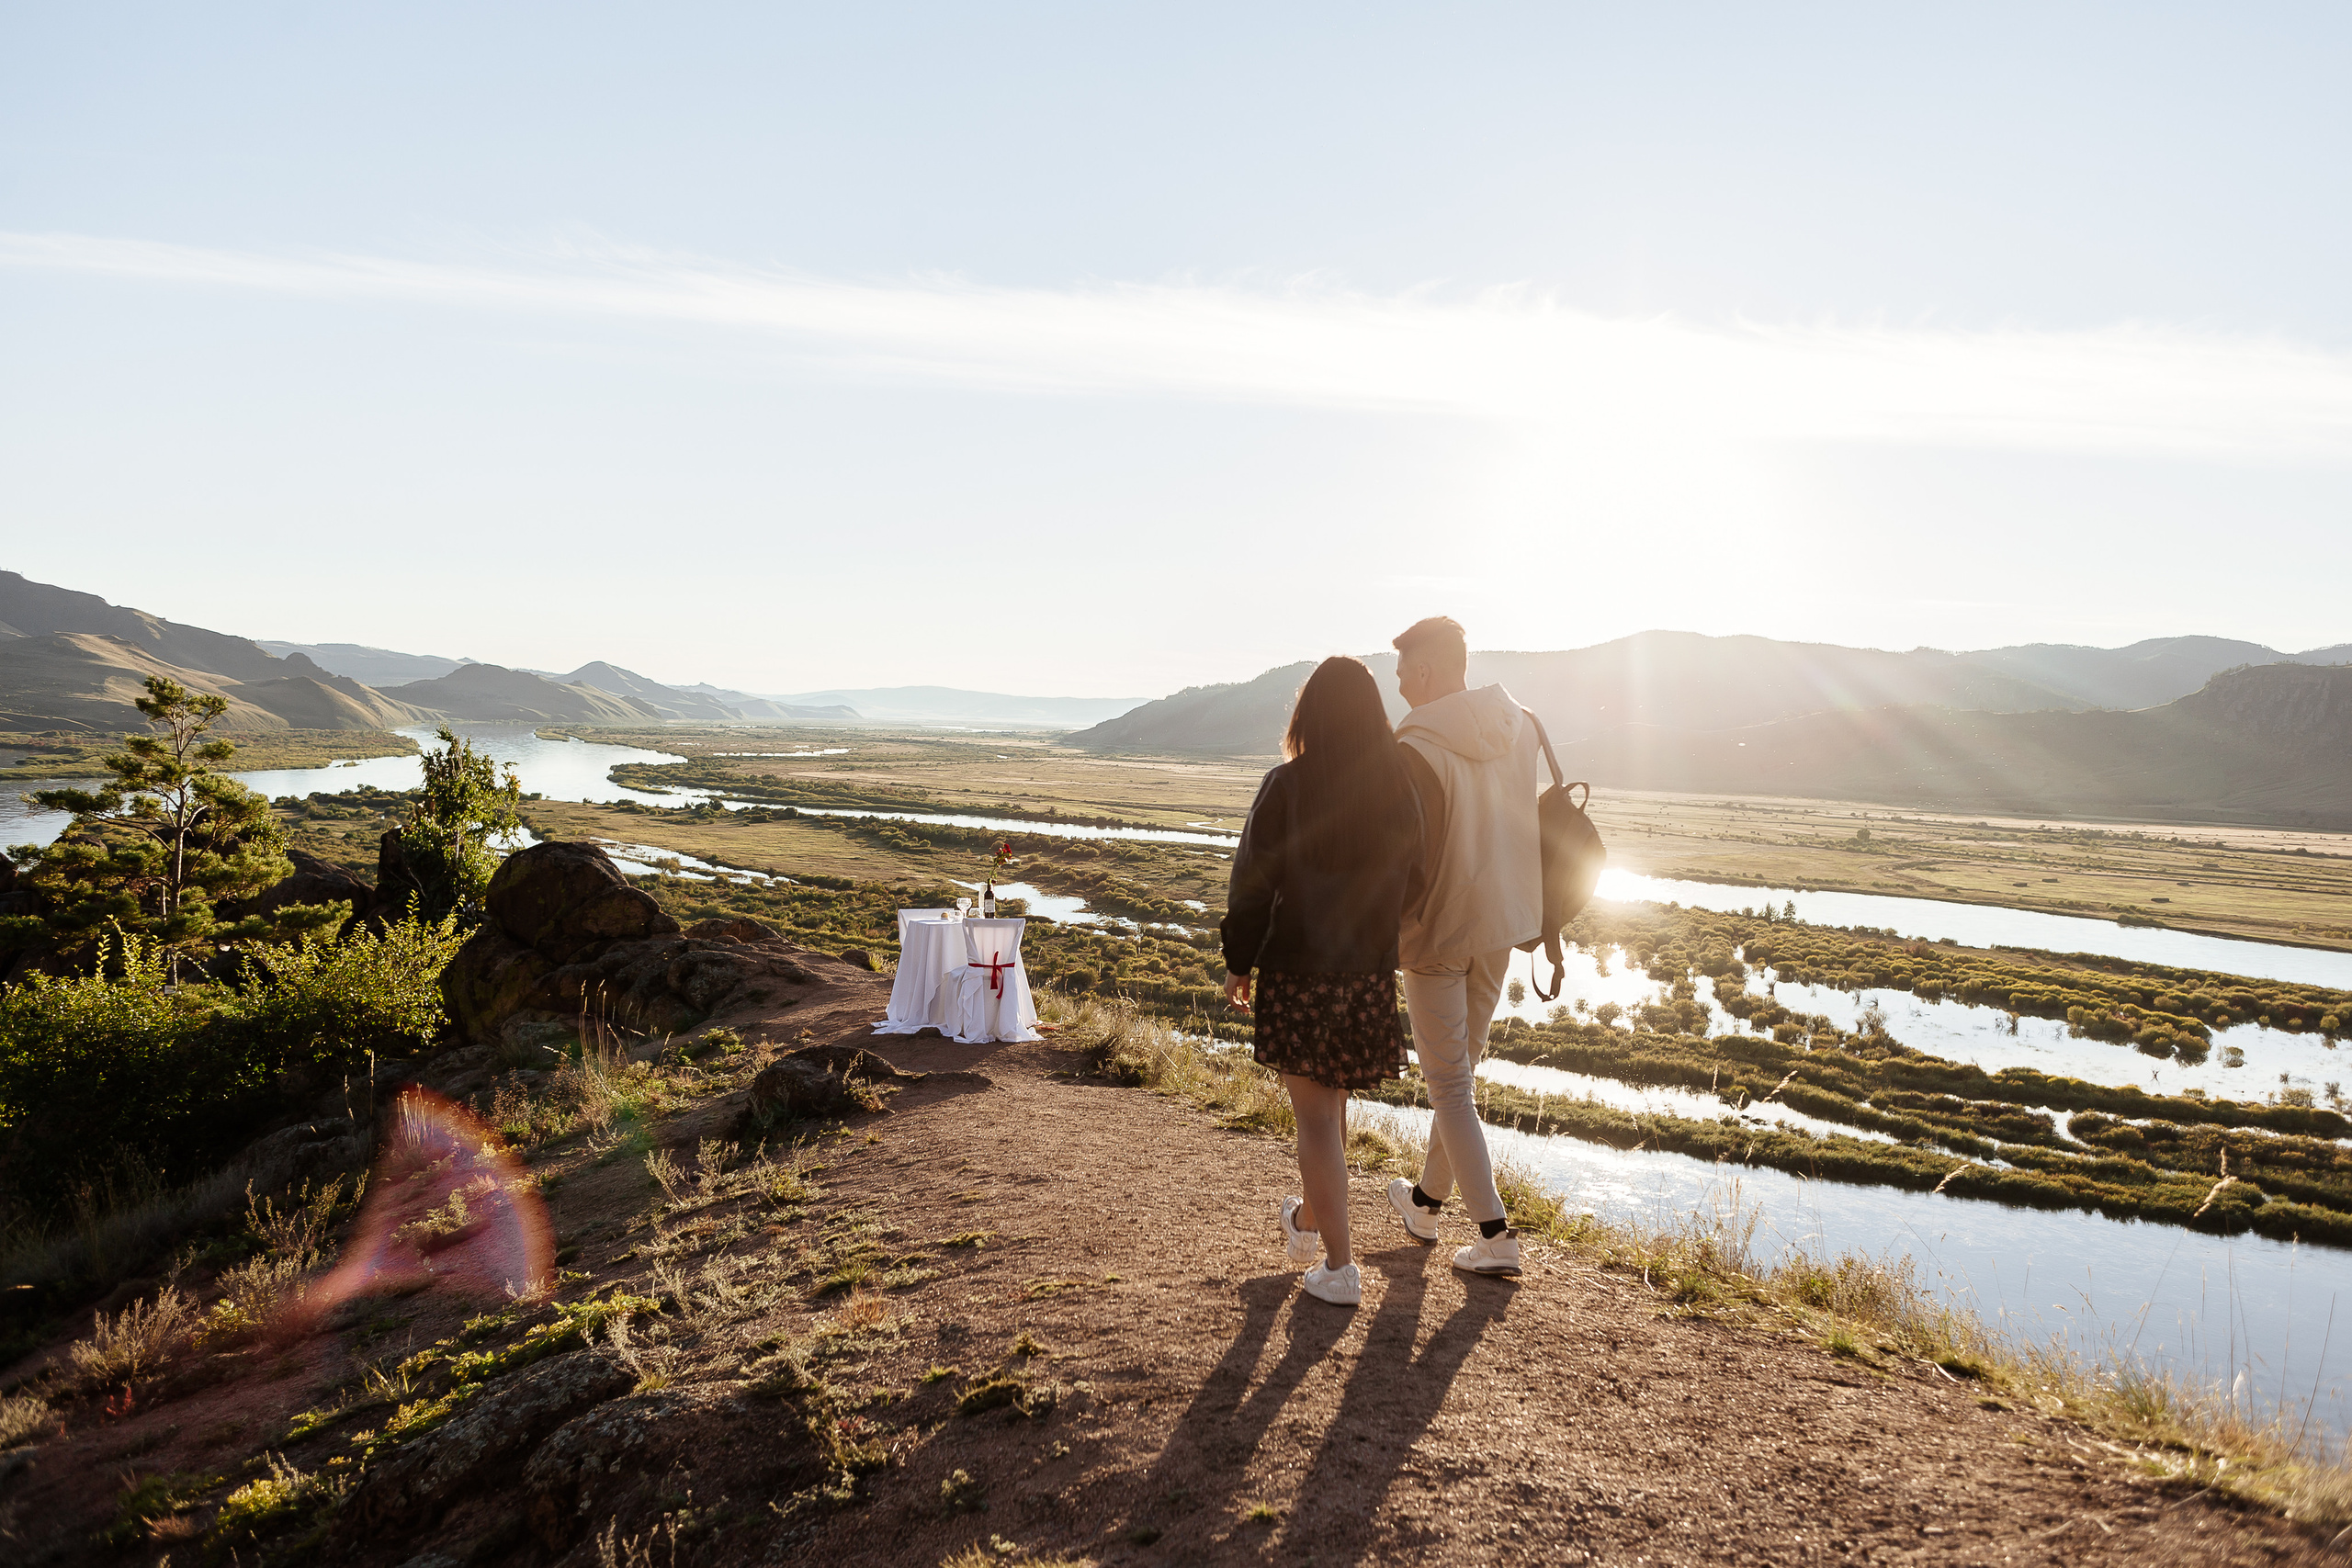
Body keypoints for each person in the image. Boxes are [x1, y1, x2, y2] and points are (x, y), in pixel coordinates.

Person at [1221, 656, 1424, 1307]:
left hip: (1298, 970)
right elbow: (1417, 880)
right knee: (1332, 1105)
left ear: (1308, 715)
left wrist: (1238, 959)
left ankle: (1340, 1267)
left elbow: (1252, 884)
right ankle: (1308, 1223)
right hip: (1366, 973)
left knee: (1314, 1117)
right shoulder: (1398, 787)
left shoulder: (1286, 785)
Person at [1385, 615, 1540, 1277]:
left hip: (1438, 929)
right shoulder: (1521, 725)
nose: (1398, 683)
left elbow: (1403, 854)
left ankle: (1496, 1236)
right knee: (1461, 1077)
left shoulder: (1415, 742)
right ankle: (1424, 1204)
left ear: (1424, 670)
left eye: (1401, 671)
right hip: (1500, 923)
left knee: (1449, 1084)